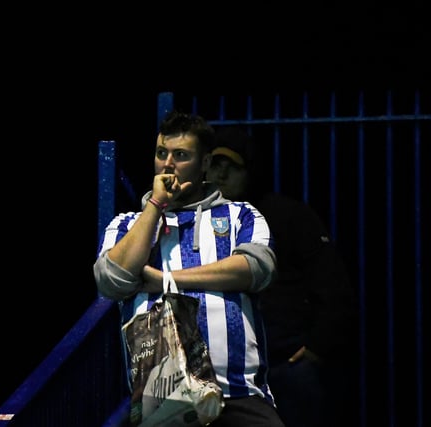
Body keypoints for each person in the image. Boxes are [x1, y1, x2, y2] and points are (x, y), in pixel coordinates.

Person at [94, 110, 286, 427]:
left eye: (180, 155)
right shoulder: (127, 224)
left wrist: (165, 280)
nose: (168, 164)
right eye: (161, 154)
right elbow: (112, 279)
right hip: (162, 402)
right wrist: (155, 206)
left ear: (205, 163)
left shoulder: (241, 215)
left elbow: (256, 267)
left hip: (238, 395)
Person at [205, 126, 359, 427]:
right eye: (215, 165)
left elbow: (333, 287)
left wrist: (315, 348)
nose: (221, 175)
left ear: (250, 171)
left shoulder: (288, 215)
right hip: (221, 370)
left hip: (284, 363)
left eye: (232, 167)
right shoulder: (195, 220)